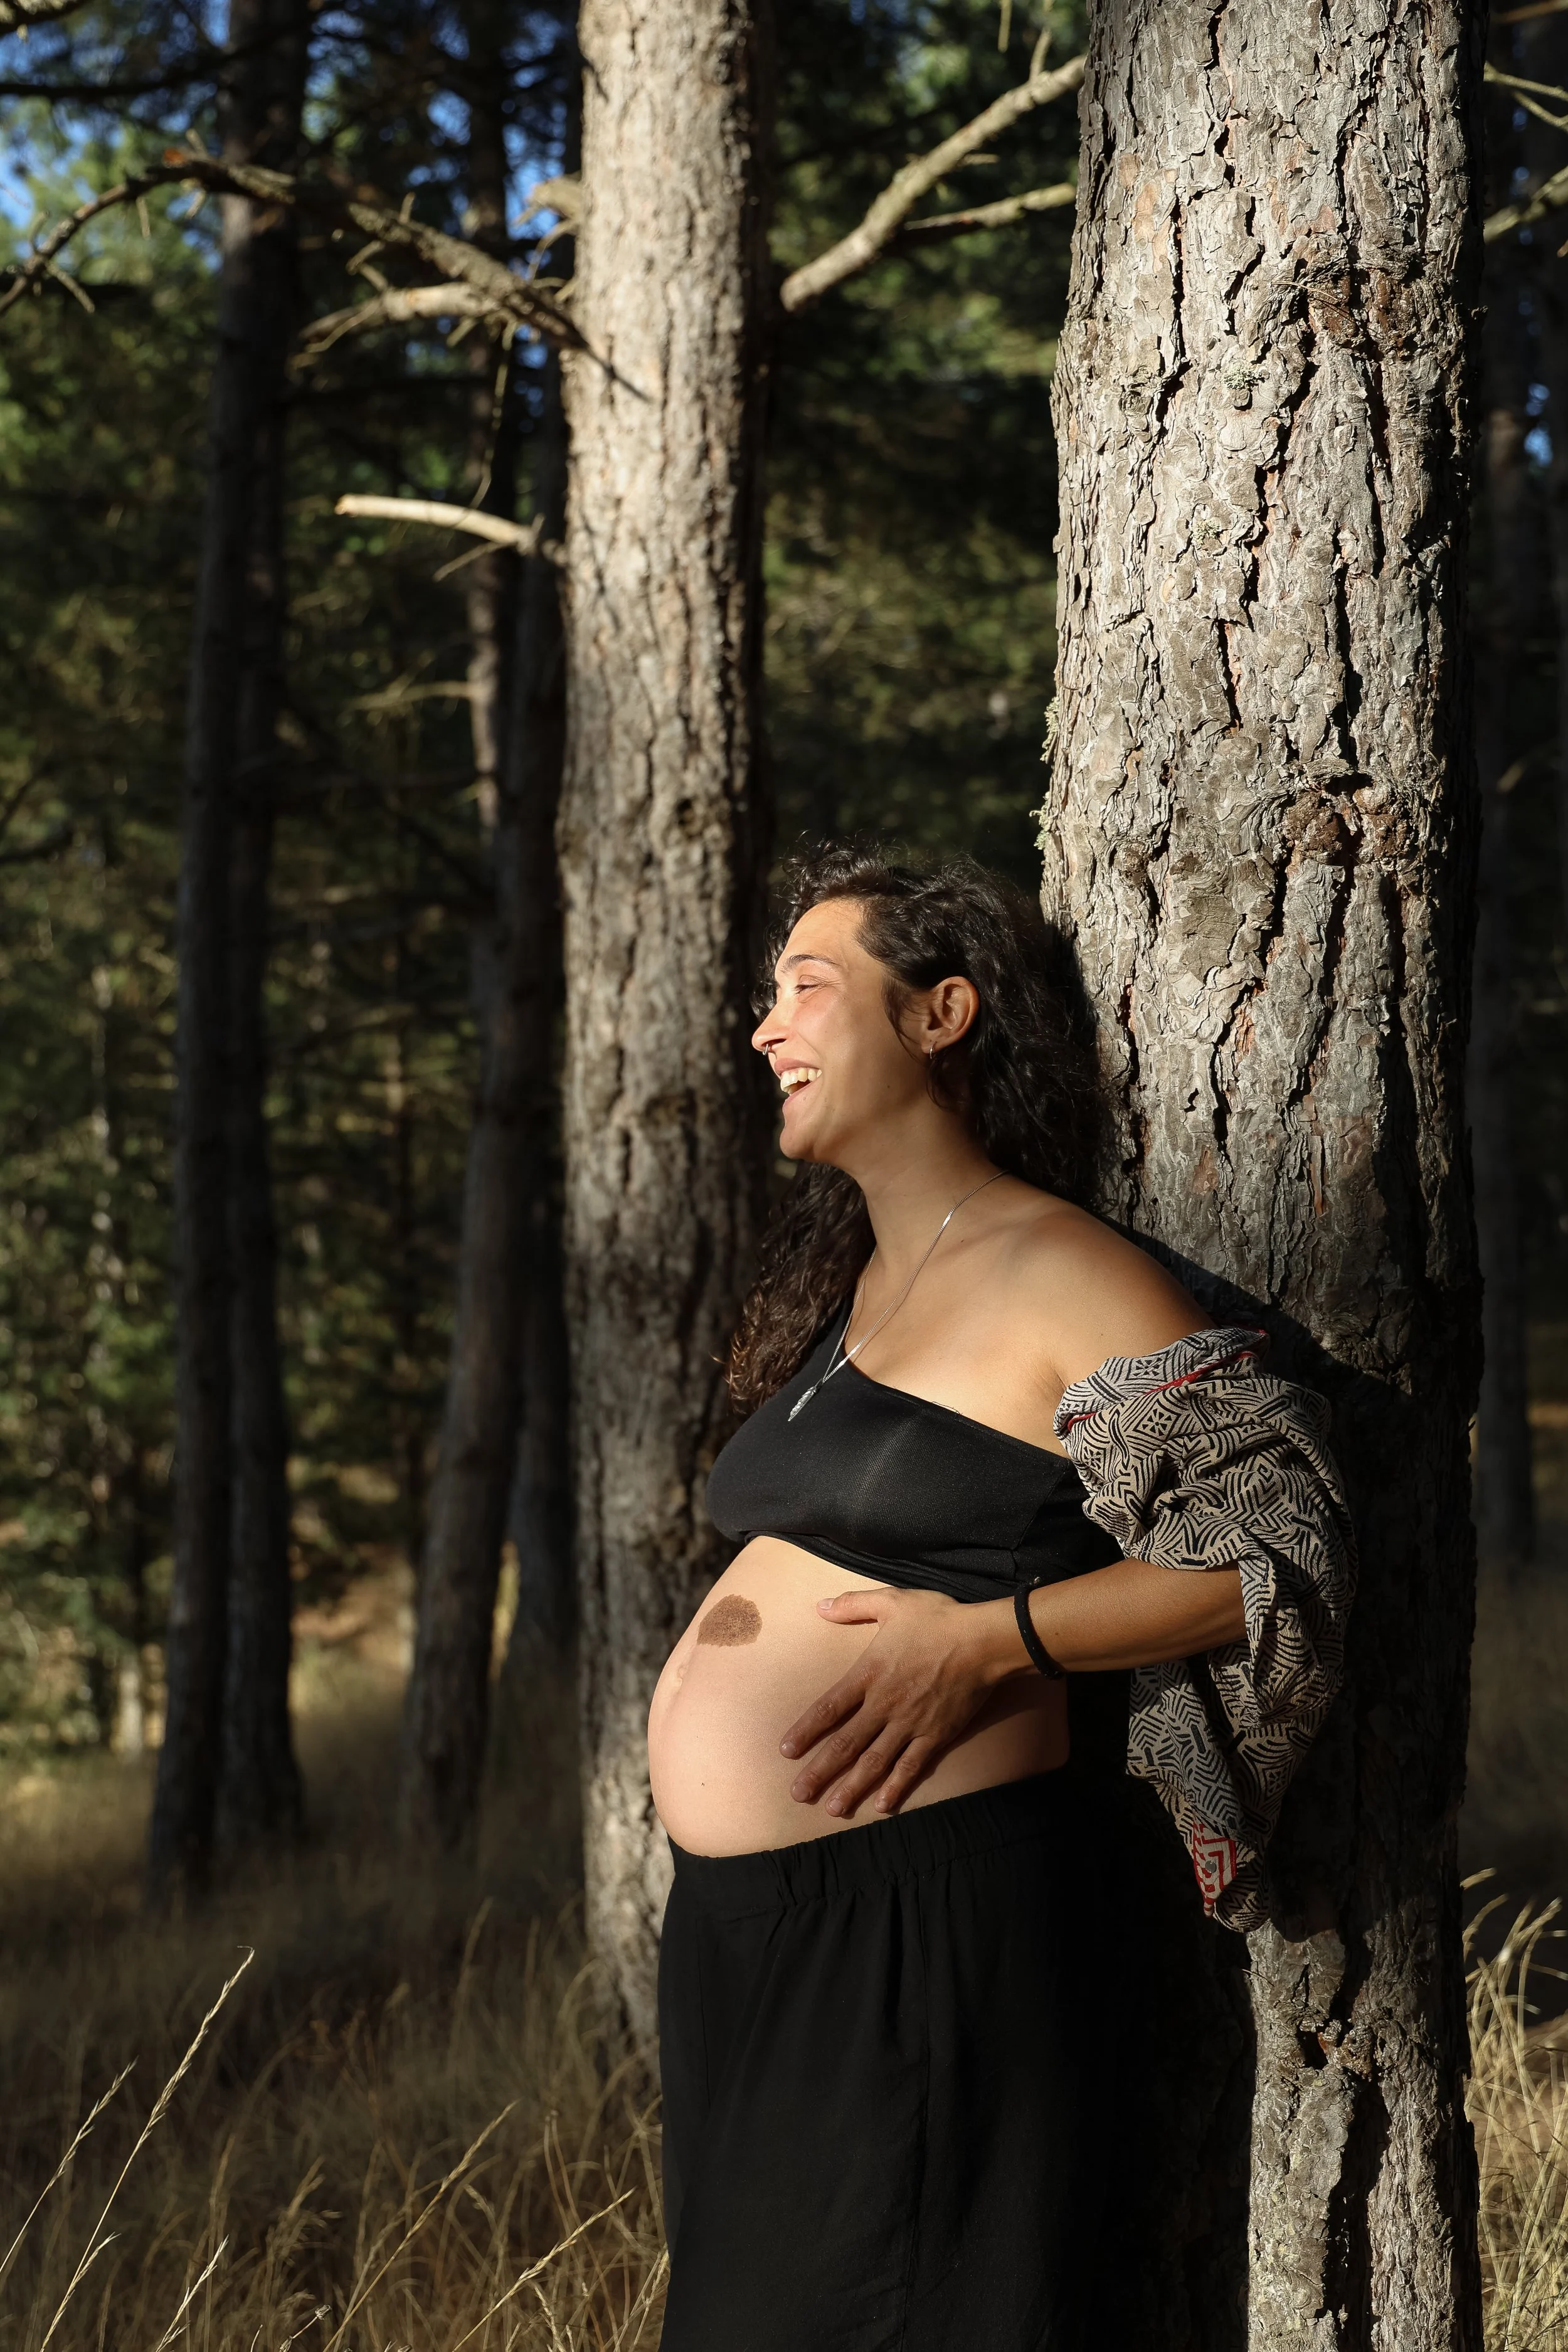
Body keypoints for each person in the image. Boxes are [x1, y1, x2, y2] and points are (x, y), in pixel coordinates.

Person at [647, 845, 1355, 2352]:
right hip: (752, 1931)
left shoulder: (1060, 1272)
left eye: (806, 990)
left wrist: (991, 1641)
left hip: (925, 1935)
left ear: (940, 1014)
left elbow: (1272, 1547)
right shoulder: (852, 1292)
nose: (763, 1028)